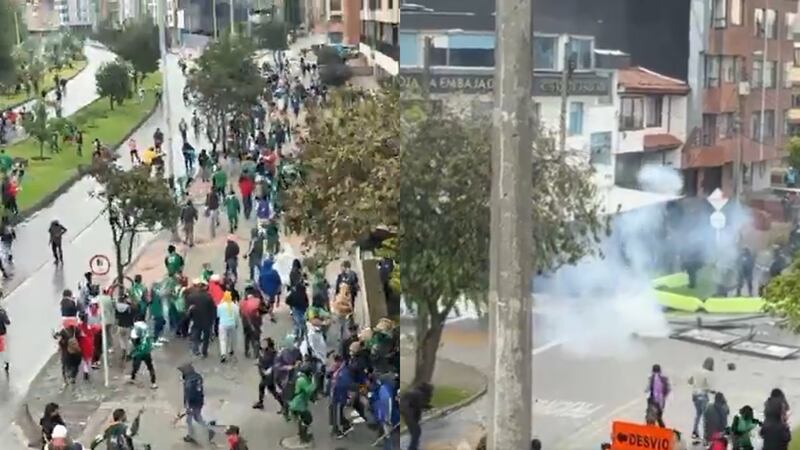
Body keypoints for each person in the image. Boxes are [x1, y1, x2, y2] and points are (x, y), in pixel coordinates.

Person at [179, 364, 216, 444]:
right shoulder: (198, 377)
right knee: (197, 418)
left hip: (192, 403)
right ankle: (209, 429)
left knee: (189, 420)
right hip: (199, 401)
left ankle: (190, 436)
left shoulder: (188, 382)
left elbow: (189, 395)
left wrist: (188, 407)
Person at [399, 383, 433, 450]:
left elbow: (417, 404)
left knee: (414, 430)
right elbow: (419, 405)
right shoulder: (419, 394)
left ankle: (414, 445)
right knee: (416, 430)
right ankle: (412, 447)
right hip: (407, 411)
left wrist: (427, 407)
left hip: (405, 409)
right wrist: (427, 407)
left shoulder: (416, 392)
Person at [688, 357, 715, 441]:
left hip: (695, 396)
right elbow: (707, 386)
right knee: (705, 416)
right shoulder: (707, 373)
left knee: (698, 414)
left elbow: (690, 381)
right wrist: (712, 391)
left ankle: (695, 431)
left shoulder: (696, 371)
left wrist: (696, 385)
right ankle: (705, 434)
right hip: (703, 396)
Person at [288, 364, 316, 443]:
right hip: (298, 404)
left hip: (298, 403)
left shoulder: (302, 378)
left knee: (302, 419)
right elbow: (309, 390)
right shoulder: (302, 380)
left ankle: (302, 434)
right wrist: (314, 382)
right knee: (308, 419)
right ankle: (303, 437)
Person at [253, 338, 282, 410]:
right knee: (264, 387)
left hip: (268, 376)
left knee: (271, 390)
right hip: (266, 375)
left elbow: (267, 363)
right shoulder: (265, 351)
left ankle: (283, 404)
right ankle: (261, 402)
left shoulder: (271, 353)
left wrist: (259, 364)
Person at [188, 281, 215, 357]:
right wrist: (212, 320)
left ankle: (195, 349)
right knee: (206, 337)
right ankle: (204, 351)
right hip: (207, 321)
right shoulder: (208, 297)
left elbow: (189, 309)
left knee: (196, 335)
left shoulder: (192, 297)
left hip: (196, 319)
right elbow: (213, 309)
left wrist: (191, 317)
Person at [128, 321, 157, 389]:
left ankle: (132, 378)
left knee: (135, 367)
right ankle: (154, 383)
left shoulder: (135, 334)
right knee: (150, 368)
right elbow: (150, 345)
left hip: (138, 354)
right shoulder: (146, 335)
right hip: (146, 353)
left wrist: (130, 354)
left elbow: (133, 345)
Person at [375, 373, 400, 450]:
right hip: (386, 409)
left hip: (386, 408)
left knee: (387, 429)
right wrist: (387, 419)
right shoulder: (385, 391)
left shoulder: (384, 389)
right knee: (387, 431)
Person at [240, 286, 266, 357]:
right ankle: (256, 352)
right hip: (256, 322)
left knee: (247, 337)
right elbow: (263, 310)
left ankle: (247, 351)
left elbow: (241, 313)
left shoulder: (243, 302)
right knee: (256, 337)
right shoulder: (258, 300)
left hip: (246, 322)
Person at [217, 291, 239, 363]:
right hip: (232, 324)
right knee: (232, 338)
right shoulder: (235, 306)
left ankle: (223, 354)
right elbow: (236, 316)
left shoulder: (220, 306)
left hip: (223, 324)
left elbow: (218, 315)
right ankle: (231, 350)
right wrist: (236, 324)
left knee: (223, 340)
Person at [0, 304, 8, 373]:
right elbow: (7, 322)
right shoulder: (2, 312)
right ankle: (5, 363)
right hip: (2, 334)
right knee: (3, 351)